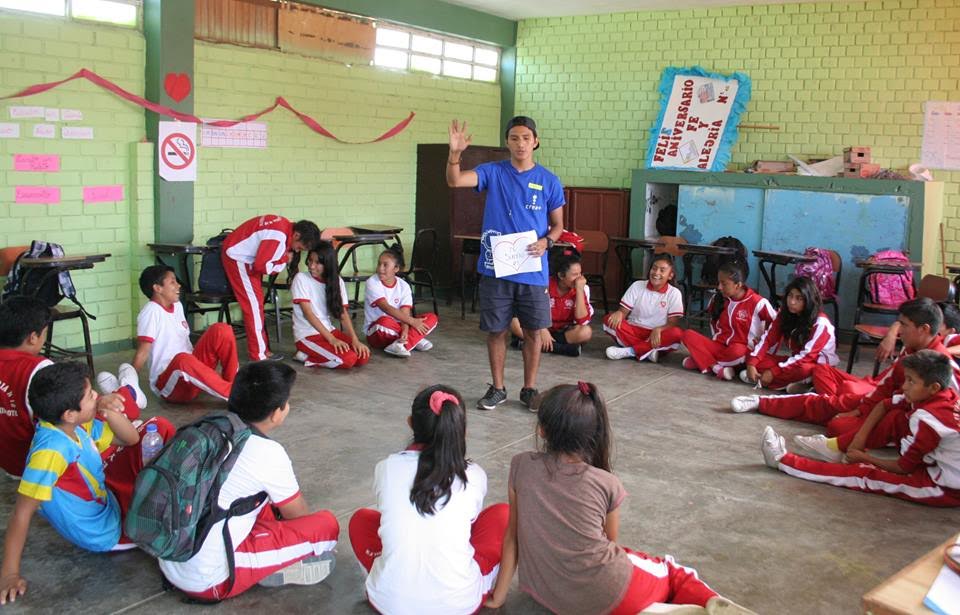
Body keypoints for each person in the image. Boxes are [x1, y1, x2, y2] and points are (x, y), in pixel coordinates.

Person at [484, 382, 754, 614]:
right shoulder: (606, 483)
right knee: (674, 573)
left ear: (542, 430)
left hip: (550, 596)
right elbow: (610, 543)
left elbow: (512, 536)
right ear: (593, 433)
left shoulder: (520, 465)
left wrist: (499, 597)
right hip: (611, 594)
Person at [159, 361, 340, 601]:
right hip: (208, 578)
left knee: (261, 501)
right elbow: (297, 515)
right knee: (325, 526)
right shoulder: (267, 452)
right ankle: (268, 566)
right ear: (276, 413)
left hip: (169, 556)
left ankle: (266, 554)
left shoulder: (206, 426)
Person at [0, 362, 174, 605]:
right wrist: (9, 574)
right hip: (107, 530)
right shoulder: (50, 452)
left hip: (106, 499)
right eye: (91, 395)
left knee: (159, 428)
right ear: (69, 414)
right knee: (169, 513)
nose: (97, 396)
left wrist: (108, 411)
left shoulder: (74, 425)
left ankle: (130, 393)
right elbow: (21, 512)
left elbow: (131, 439)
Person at [348, 385, 509, 614]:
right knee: (503, 515)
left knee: (362, 520)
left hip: (389, 603)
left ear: (410, 423)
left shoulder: (387, 468)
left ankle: (386, 577)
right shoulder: (474, 475)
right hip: (458, 605)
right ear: (461, 431)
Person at [446, 116, 565, 411]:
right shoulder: (493, 172)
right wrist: (455, 154)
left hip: (532, 270)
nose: (520, 143)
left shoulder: (549, 180)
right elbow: (455, 180)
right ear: (507, 142)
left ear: (535, 141)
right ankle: (497, 388)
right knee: (496, 330)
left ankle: (529, 389)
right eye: (514, 138)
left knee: (533, 331)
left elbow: (558, 226)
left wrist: (547, 242)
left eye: (526, 138)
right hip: (496, 269)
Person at [732, 298, 959, 437]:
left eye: (904, 326)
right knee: (829, 402)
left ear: (924, 329)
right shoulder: (912, 348)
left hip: (901, 419)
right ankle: (762, 402)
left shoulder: (941, 363)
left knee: (838, 425)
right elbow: (886, 385)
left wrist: (863, 412)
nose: (899, 331)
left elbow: (948, 408)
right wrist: (860, 409)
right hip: (881, 402)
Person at [761, 350, 960, 507]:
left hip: (944, 488)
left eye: (911, 381)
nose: (905, 386)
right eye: (906, 379)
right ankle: (837, 449)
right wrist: (858, 440)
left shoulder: (929, 419)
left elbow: (902, 468)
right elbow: (884, 404)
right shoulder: (945, 395)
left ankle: (782, 461)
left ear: (934, 387)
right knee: (893, 419)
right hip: (935, 466)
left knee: (862, 475)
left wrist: (864, 458)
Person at [0, 296, 141, 479]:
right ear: (33, 338)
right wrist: (98, 402)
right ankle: (129, 391)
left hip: (9, 463)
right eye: (44, 334)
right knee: (113, 404)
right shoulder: (38, 369)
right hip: (43, 464)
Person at [132, 265, 238, 402]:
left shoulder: (177, 306)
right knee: (182, 359)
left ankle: (235, 385)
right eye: (172, 282)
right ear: (158, 288)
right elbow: (142, 352)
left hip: (191, 374)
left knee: (221, 329)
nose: (178, 285)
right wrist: (129, 384)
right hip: (169, 384)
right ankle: (235, 395)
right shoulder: (151, 312)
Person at [221, 215, 320, 360]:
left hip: (243, 255)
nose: (297, 251)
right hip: (238, 257)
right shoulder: (278, 236)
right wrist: (284, 259)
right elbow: (262, 267)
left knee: (256, 304)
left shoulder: (284, 225)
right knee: (253, 307)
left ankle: (262, 349)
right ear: (296, 235)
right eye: (299, 247)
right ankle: (259, 354)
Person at [740, 277, 838, 392]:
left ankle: (766, 381)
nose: (792, 302)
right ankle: (794, 384)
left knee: (804, 369)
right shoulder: (784, 315)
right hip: (794, 361)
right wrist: (752, 363)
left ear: (809, 300)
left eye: (799, 298)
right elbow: (767, 339)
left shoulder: (821, 324)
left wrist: (773, 372)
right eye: (790, 296)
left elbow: (807, 357)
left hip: (815, 365)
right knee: (751, 355)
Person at [681, 261, 775, 380]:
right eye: (719, 282)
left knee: (737, 350)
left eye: (724, 284)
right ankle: (716, 367)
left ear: (738, 285)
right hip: (719, 348)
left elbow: (776, 326)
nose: (719, 287)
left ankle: (702, 361)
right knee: (687, 335)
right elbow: (713, 324)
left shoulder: (758, 302)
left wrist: (764, 349)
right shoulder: (717, 299)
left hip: (743, 351)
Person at [291, 241, 370, 369]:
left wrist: (355, 340)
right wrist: (332, 339)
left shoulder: (337, 281)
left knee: (362, 356)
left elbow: (343, 314)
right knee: (348, 360)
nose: (312, 266)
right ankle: (305, 356)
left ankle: (316, 355)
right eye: (310, 260)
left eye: (317, 262)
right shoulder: (301, 278)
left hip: (328, 331)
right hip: (307, 336)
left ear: (328, 264)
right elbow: (308, 314)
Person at [603, 254, 684, 362]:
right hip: (634, 330)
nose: (656, 273)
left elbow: (672, 323)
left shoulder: (674, 293)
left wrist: (659, 329)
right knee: (608, 319)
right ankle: (647, 351)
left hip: (656, 335)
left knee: (677, 334)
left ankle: (631, 351)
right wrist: (619, 313)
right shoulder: (637, 285)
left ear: (670, 275)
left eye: (662, 270)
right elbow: (623, 311)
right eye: (654, 268)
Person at [510, 252, 592, 357]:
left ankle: (536, 344)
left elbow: (582, 320)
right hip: (539, 328)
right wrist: (542, 329)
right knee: (514, 323)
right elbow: (530, 309)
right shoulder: (544, 285)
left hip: (562, 331)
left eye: (580, 274)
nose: (580, 279)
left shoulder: (580, 288)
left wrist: (579, 290)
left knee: (586, 332)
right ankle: (559, 348)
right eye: (575, 275)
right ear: (561, 275)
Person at [363, 245, 438, 358]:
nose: (380, 268)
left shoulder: (404, 286)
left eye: (385, 265)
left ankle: (400, 344)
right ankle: (414, 339)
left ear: (396, 268)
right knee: (384, 322)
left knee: (432, 318)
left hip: (399, 325)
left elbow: (405, 312)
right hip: (377, 331)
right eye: (379, 264)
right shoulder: (372, 282)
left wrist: (405, 330)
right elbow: (386, 308)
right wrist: (413, 322)